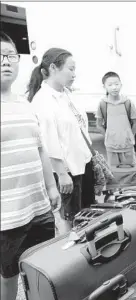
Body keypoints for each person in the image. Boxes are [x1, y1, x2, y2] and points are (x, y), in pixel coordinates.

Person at [0, 31, 61, 300]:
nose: (5, 62)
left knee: (41, 270)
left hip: (39, 208)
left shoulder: (24, 103)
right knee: (8, 277)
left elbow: (40, 149)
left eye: (10, 56)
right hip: (7, 215)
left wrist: (51, 187)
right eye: (0, 56)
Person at [28, 47, 93, 233]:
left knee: (84, 217)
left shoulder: (66, 94)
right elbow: (48, 142)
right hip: (66, 172)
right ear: (54, 68)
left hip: (81, 165)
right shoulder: (43, 100)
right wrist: (61, 173)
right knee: (69, 221)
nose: (74, 74)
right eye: (70, 69)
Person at [96, 71, 136, 168]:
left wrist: (130, 136)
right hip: (111, 147)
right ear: (104, 87)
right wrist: (107, 136)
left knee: (130, 172)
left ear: (121, 85)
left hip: (127, 146)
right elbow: (98, 125)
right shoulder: (103, 104)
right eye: (110, 85)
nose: (114, 87)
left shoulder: (128, 102)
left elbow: (135, 123)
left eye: (116, 84)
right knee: (114, 173)